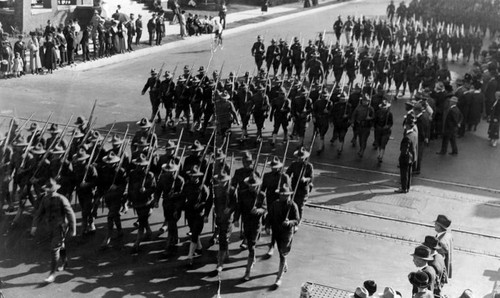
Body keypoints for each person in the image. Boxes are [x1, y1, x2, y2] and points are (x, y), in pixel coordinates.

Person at [30, 178, 76, 284]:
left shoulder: (61, 199)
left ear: (54, 190)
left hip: (60, 227)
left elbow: (70, 214)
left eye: (50, 190)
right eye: (47, 190)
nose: (48, 192)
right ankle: (64, 262)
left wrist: (73, 229)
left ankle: (52, 274)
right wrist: (34, 226)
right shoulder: (45, 199)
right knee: (61, 245)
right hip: (49, 226)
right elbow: (39, 213)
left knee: (54, 249)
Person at [265, 183, 299, 287]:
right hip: (276, 231)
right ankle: (284, 264)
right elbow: (269, 216)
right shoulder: (275, 204)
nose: (284, 196)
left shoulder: (292, 205)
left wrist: (289, 223)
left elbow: (297, 220)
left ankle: (279, 278)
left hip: (286, 233)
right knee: (281, 251)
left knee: (283, 254)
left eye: (286, 195)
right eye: (282, 194)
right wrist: (267, 226)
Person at [286, 146, 313, 228]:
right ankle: (292, 217)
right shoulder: (294, 164)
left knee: (300, 205)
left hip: (303, 189)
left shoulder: (308, 166)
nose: (300, 159)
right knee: (292, 203)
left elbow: (311, 178)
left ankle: (298, 220)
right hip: (294, 187)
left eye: (301, 158)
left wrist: (305, 179)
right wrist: (286, 180)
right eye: (299, 158)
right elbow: (288, 173)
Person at [395, 113, 416, 193]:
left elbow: (404, 151)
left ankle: (403, 188)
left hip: (405, 158)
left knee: (404, 174)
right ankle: (407, 187)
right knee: (409, 173)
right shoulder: (414, 134)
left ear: (407, 126)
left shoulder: (407, 137)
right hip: (411, 157)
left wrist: (400, 158)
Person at [434, 214, 453, 279]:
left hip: (440, 272)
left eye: (435, 224)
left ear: (439, 227)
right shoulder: (448, 234)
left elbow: (439, 259)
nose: (434, 226)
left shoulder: (441, 241)